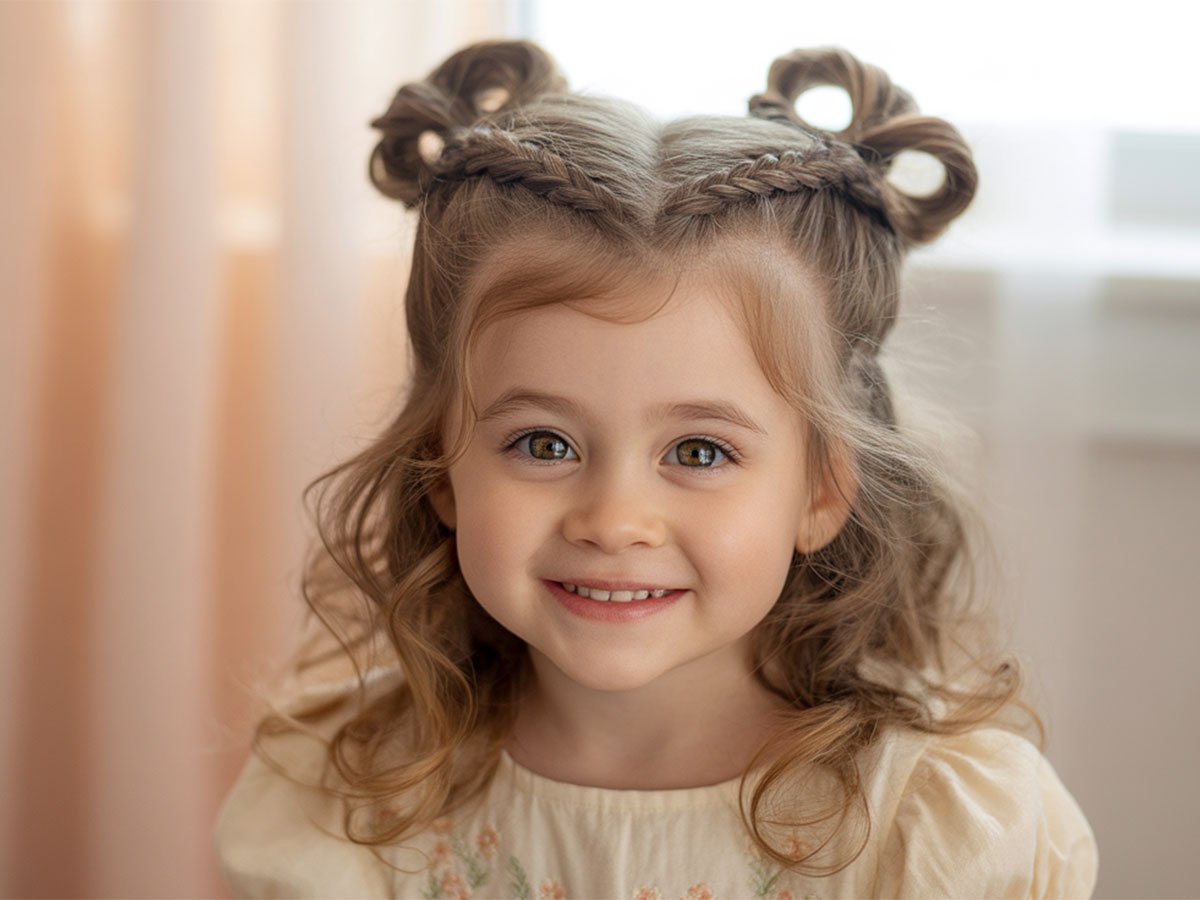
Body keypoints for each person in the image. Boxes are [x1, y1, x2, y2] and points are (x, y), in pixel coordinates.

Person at [214, 39, 1098, 898]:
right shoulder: (348, 794)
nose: (613, 520)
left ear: (822, 490)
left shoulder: (931, 826)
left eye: (699, 452)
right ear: (439, 469)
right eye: (544, 444)